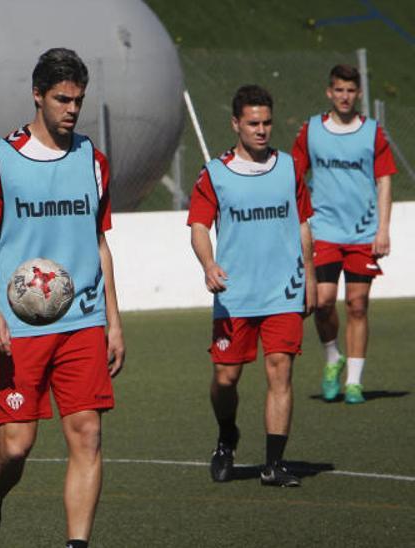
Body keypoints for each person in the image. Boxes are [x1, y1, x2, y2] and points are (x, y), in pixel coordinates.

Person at [0, 48, 124, 548]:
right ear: (38, 95)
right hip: (19, 327)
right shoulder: (1, 158)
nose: (71, 109)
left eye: (78, 99)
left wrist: (113, 321)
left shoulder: (92, 161)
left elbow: (99, 244)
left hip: (82, 320)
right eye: (61, 99)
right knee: (15, 448)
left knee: (87, 436)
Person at [187, 85, 315, 488]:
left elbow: (303, 223)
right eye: (253, 123)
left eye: (267, 123)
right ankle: (227, 436)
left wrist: (309, 274)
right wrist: (208, 264)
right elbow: (198, 227)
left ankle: (273, 464)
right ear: (236, 124)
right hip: (235, 295)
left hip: (283, 290)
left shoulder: (290, 167)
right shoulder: (215, 173)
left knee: (281, 371)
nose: (261, 130)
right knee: (226, 378)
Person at [291, 64, 396, 405]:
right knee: (321, 302)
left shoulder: (373, 133)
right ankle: (332, 356)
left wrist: (383, 229)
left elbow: (384, 181)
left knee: (357, 305)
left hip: (363, 234)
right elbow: (293, 175)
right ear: (329, 92)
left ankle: (354, 380)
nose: (345, 96)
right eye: (339, 90)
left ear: (359, 94)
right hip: (323, 231)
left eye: (351, 91)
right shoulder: (311, 131)